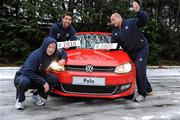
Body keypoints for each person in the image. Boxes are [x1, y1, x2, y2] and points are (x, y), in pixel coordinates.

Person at [110, 1, 153, 102]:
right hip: (131, 53)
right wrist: (107, 48)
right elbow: (114, 46)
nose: (112, 22)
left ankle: (142, 93)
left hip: (142, 49)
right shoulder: (114, 32)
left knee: (139, 68)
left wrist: (139, 11)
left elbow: (144, 20)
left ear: (118, 17)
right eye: (111, 21)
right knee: (139, 70)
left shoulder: (131, 22)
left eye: (113, 19)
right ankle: (149, 89)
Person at [14, 37, 67, 110]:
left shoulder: (54, 53)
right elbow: (27, 72)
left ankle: (36, 95)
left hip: (38, 75)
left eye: (53, 47)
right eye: (49, 47)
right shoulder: (37, 55)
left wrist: (63, 59)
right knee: (23, 82)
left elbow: (63, 51)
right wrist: (43, 82)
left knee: (53, 79)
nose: (51, 49)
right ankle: (19, 100)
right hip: (25, 75)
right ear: (45, 46)